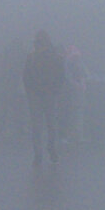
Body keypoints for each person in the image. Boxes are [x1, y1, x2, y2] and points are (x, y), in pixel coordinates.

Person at [23, 30, 65, 166]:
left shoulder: (38, 57)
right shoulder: (35, 57)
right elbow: (26, 76)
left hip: (45, 95)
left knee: (46, 126)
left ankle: (44, 152)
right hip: (41, 96)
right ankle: (41, 153)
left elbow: (60, 76)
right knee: (45, 125)